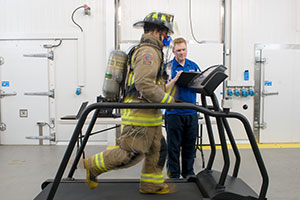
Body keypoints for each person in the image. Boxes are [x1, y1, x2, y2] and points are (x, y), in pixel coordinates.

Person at [84, 12, 175, 194]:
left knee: (159, 150)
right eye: (166, 33)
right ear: (157, 31)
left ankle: (151, 185)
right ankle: (92, 165)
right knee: (131, 154)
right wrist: (168, 101)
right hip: (140, 115)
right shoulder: (148, 52)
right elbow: (143, 83)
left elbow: (153, 83)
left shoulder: (154, 50)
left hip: (151, 115)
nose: (168, 38)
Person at [165, 37, 201, 179]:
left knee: (189, 146)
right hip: (174, 113)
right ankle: (173, 175)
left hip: (191, 112)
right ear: (173, 51)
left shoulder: (194, 66)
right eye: (178, 50)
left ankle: (188, 173)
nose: (181, 53)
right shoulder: (168, 68)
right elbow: (163, 89)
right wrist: (175, 79)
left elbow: (201, 86)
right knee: (173, 147)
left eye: (184, 49)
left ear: (187, 50)